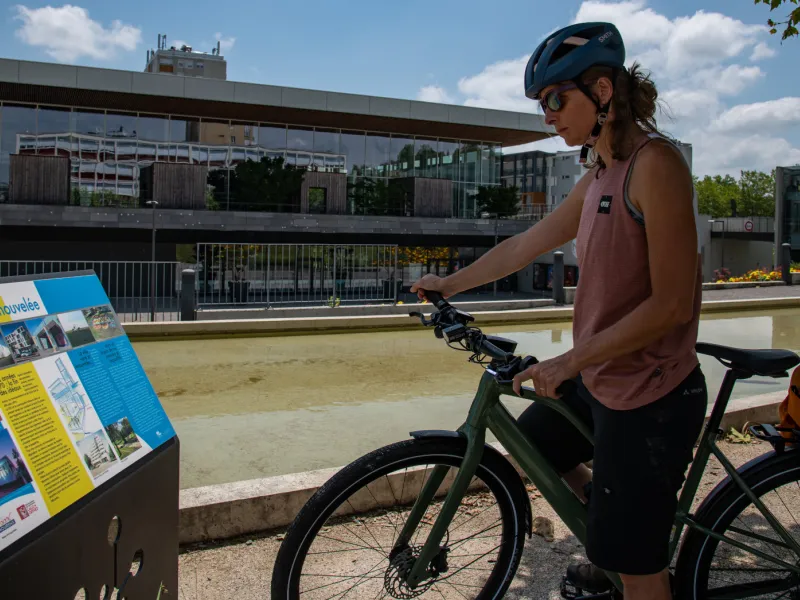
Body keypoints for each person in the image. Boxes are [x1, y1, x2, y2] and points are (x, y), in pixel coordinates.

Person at [411, 22, 705, 600]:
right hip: (602, 376)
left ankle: (625, 549)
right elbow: (526, 244)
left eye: (554, 98)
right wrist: (450, 283)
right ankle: (611, 528)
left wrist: (567, 362)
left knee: (642, 573)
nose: (546, 114)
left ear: (601, 92)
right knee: (537, 444)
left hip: (650, 395)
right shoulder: (598, 172)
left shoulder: (656, 165)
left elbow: (670, 305)